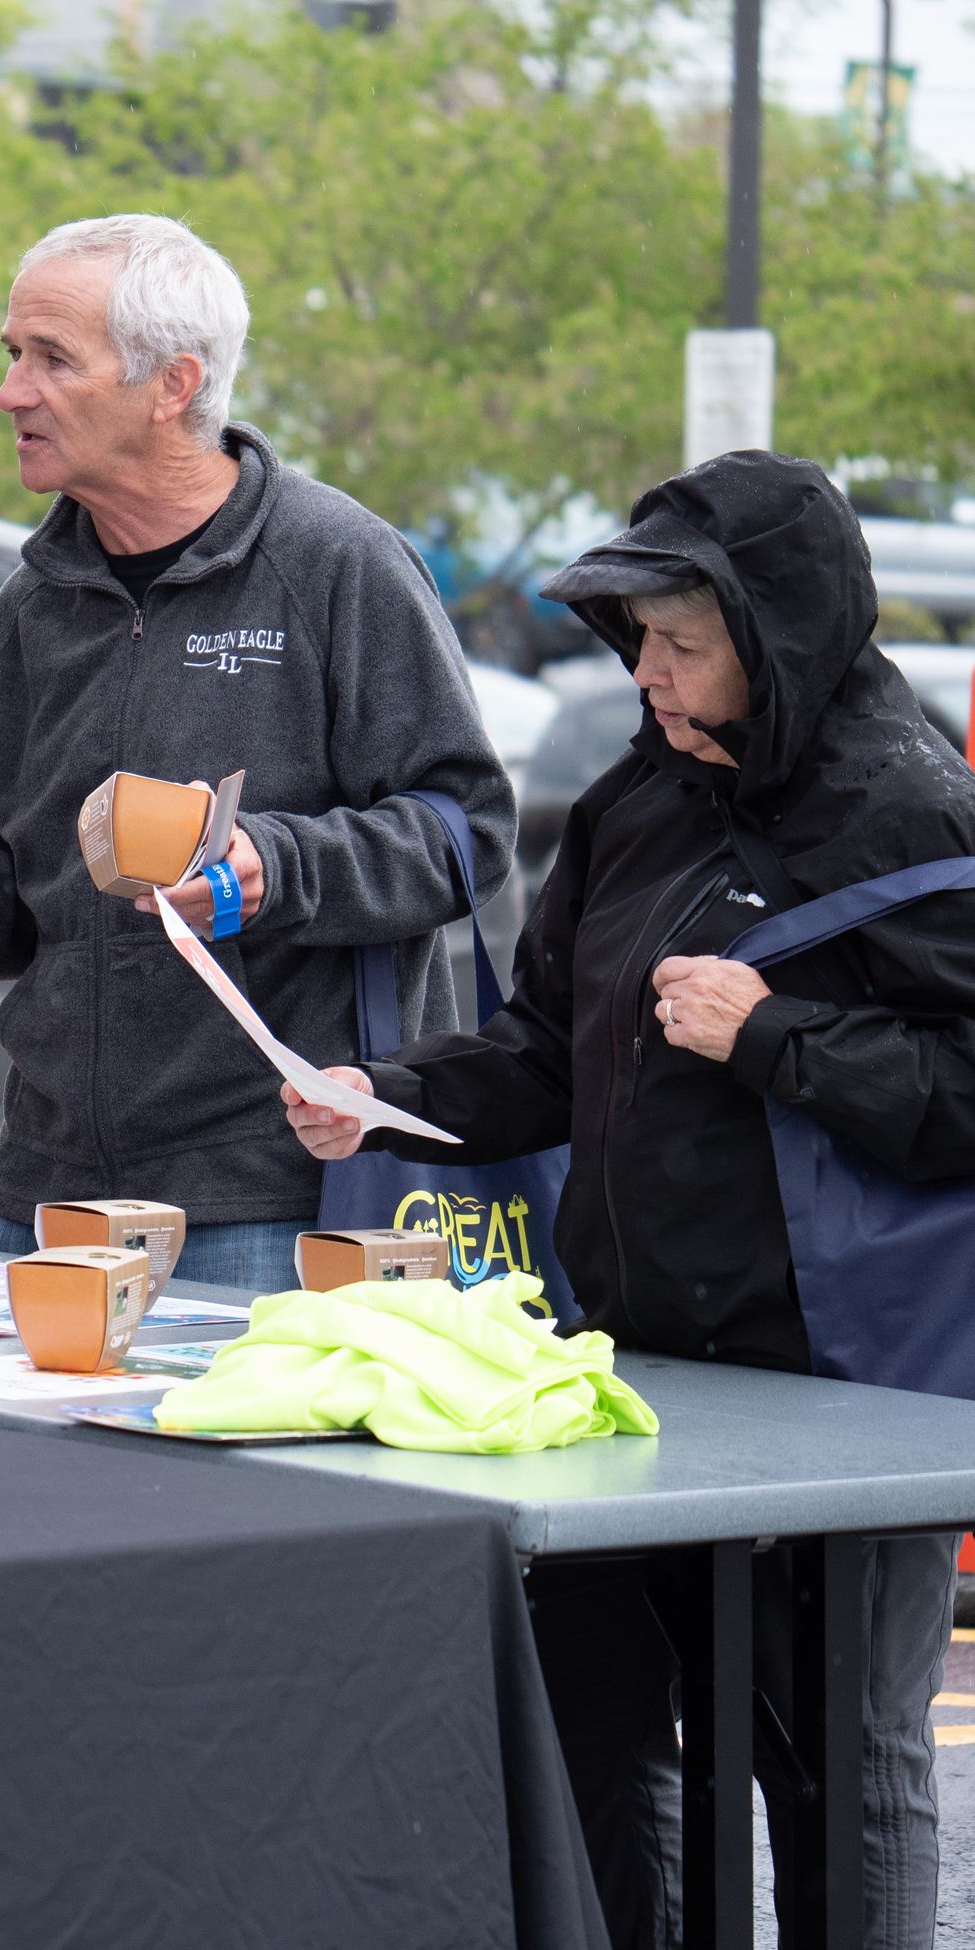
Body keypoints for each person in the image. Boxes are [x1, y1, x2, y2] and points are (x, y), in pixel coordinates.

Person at [283, 451, 973, 1949]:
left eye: (681, 642)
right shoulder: (632, 804)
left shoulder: (914, 813)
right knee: (605, 1737)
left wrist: (774, 1035)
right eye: (638, 637)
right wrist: (383, 1091)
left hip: (846, 1398)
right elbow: (547, 1049)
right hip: (632, 1375)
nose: (644, 671)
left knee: (840, 1765)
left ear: (777, 640)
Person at [0, 214, 512, 1291]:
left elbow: (465, 836)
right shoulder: (27, 614)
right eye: (11, 354)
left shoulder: (334, 564)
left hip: (273, 1199)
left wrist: (277, 868)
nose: (10, 393)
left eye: (51, 358)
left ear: (173, 384)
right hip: (48, 1196)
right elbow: (14, 920)